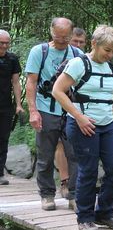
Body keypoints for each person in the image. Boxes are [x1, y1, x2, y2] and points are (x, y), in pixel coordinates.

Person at [52, 25, 113, 230]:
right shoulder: (78, 64)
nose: (110, 55)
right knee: (89, 170)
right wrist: (79, 117)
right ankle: (84, 217)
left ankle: (104, 212)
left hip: (107, 125)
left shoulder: (111, 68)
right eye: (107, 51)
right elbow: (58, 91)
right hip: (83, 125)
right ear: (94, 44)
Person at [25, 17, 80, 210]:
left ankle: (74, 194)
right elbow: (31, 83)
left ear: (71, 35)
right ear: (51, 32)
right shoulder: (39, 52)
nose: (62, 40)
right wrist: (33, 111)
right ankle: (47, 195)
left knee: (74, 154)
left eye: (66, 37)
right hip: (45, 108)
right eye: (58, 36)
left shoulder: (76, 53)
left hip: (70, 111)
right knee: (45, 155)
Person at [56, 27, 87, 198]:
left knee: (73, 149)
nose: (78, 44)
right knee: (60, 144)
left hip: (77, 109)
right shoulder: (61, 55)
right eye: (75, 41)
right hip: (55, 106)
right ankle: (64, 181)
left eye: (82, 42)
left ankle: (75, 187)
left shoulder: (87, 60)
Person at [0, 30, 24, 185]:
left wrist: (19, 105)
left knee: (3, 139)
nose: (4, 45)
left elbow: (16, 82)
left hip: (5, 105)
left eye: (6, 43)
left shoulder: (12, 59)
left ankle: (0, 173)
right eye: (1, 42)